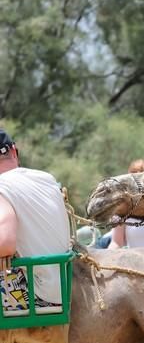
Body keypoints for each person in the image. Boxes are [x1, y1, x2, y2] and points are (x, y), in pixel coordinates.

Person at [0, 128, 70, 313]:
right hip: (68, 286)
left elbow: (5, 243)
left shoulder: (1, 187)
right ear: (14, 151)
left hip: (37, 297)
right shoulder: (46, 178)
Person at [108, 159, 144, 254]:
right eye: (134, 177)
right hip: (137, 261)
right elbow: (116, 243)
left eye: (142, 176)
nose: (139, 183)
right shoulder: (121, 209)